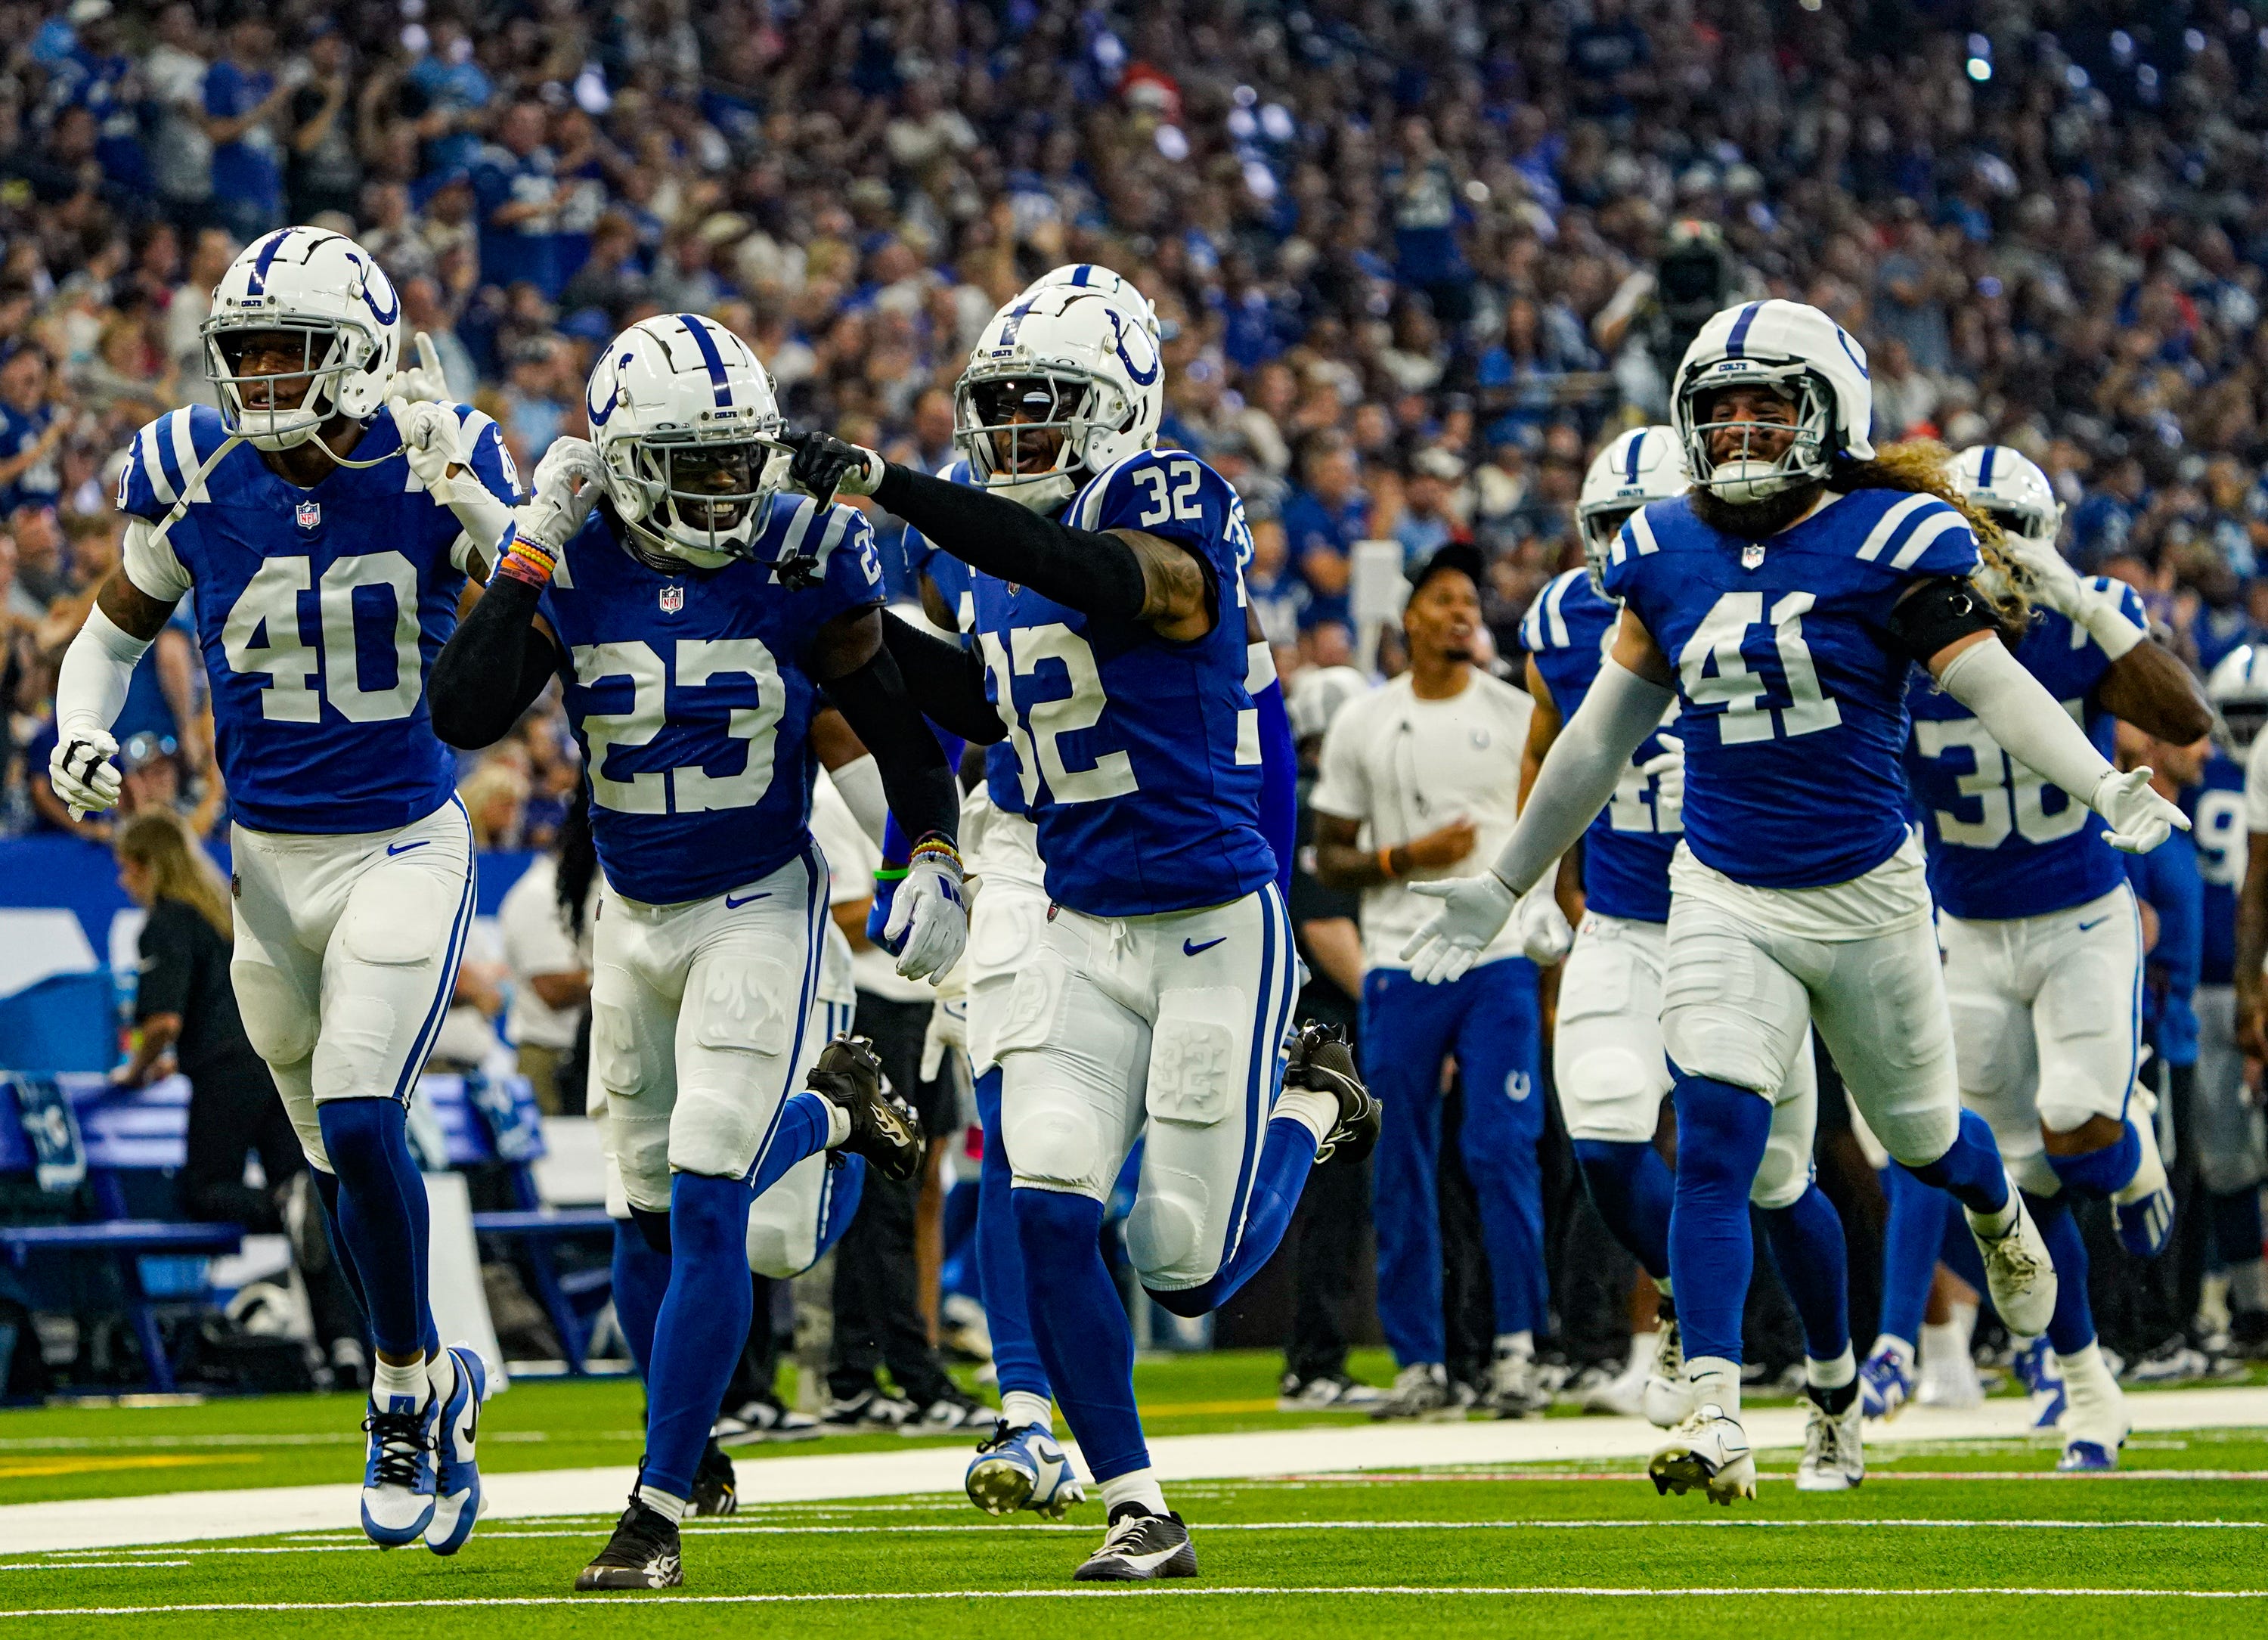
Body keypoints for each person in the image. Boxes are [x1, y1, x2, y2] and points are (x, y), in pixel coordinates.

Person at [1402, 299, 2189, 1505]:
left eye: (1765, 403)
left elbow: (1992, 685)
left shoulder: (1891, 535)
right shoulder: (1664, 545)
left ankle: (1994, 1206)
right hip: (1725, 890)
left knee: (1925, 1139)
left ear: (1829, 412)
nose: (1737, 427)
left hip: (1869, 898)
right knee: (1717, 1142)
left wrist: (2099, 782)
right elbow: (1595, 741)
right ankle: (1716, 1411)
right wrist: (1505, 881)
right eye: (1717, 407)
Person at [779, 275, 1378, 1582]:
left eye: (1045, 404)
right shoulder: (988, 553)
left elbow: (1104, 578)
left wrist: (893, 488)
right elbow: (987, 704)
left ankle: (1313, 1108)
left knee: (1182, 1265)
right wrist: (836, 626)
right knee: (1044, 1196)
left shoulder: (1165, 499)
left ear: (1119, 409)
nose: (1017, 431)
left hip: (1212, 921)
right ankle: (1138, 1504)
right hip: (1078, 918)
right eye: (999, 406)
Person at [425, 312, 964, 1592]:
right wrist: (528, 549)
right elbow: (461, 709)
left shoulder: (806, 550)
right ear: (623, 462)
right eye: (696, 462)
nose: (728, 486)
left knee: (715, 1188)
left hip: (758, 902)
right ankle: (831, 1124)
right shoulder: (576, 557)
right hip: (631, 913)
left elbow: (894, 723)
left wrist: (931, 851)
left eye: (739, 457)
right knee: (646, 1209)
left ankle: (653, 1512)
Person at [49, 228, 513, 1555]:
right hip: (263, 860)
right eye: (243, 352)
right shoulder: (193, 467)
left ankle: (403, 1388)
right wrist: (78, 725)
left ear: (360, 358)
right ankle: (432, 1376)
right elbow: (108, 634)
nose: (257, 377)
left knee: (364, 1114)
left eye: (286, 351)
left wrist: (475, 503)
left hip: (401, 840)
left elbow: (552, 607)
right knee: (332, 1159)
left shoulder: (435, 455)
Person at [1521, 426, 1848, 1471]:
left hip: (1749, 918)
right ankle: (1683, 1297)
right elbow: (1548, 749)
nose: (1626, 545)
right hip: (1624, 923)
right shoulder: (1559, 622)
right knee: (1603, 1129)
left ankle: (1834, 1383)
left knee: (1781, 1180)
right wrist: (1538, 882)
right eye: (1608, 526)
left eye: (1641, 521)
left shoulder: (1767, 609)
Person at [1890, 444, 2208, 1469]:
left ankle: (2134, 1147)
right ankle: (2087, 1391)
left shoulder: (2080, 621)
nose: (1999, 559)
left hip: (2079, 919)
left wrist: (2084, 600)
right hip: (1968, 931)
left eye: (2013, 537)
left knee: (2080, 1126)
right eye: (1979, 536)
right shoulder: (1900, 627)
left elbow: (2186, 717)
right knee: (2021, 1180)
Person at [1308, 541, 1551, 1420]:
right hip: (1400, 959)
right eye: (1444, 598)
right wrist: (1409, 856)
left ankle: (1518, 1351)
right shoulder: (1364, 721)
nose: (1461, 613)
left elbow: (1557, 824)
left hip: (1497, 955)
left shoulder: (1516, 712)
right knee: (1398, 1161)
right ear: (1409, 616)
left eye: (1470, 601)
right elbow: (1328, 856)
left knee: (1499, 1146)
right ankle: (1421, 1364)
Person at [111, 808, 362, 1378]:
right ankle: (344, 1343)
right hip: (282, 1059)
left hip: (226, 1069)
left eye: (126, 868)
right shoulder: (228, 914)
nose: (124, 881)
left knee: (203, 1190)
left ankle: (281, 1204)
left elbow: (163, 1022)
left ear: (148, 866)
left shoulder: (167, 921)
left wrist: (135, 1070)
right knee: (310, 1207)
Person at [2195, 651, 2268, 1354]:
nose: (2249, 730)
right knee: (2223, 1162)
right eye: (2240, 714)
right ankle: (2251, 1307)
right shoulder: (2201, 776)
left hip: (2233, 981)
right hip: (2206, 986)